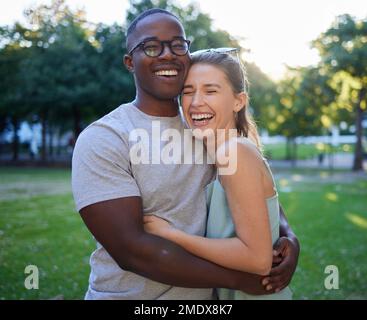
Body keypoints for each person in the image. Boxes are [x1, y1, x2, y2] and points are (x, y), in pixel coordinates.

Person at [71, 8, 299, 300]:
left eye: (178, 44)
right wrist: (239, 278)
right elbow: (131, 251)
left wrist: (288, 237)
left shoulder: (205, 123)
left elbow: (252, 192)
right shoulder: (105, 138)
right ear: (130, 62)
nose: (167, 54)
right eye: (151, 46)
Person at [143, 49, 293, 299]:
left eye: (210, 91)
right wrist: (290, 235)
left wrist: (171, 235)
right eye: (188, 91)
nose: (196, 101)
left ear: (238, 101)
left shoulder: (233, 152)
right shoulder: (217, 150)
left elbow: (258, 260)